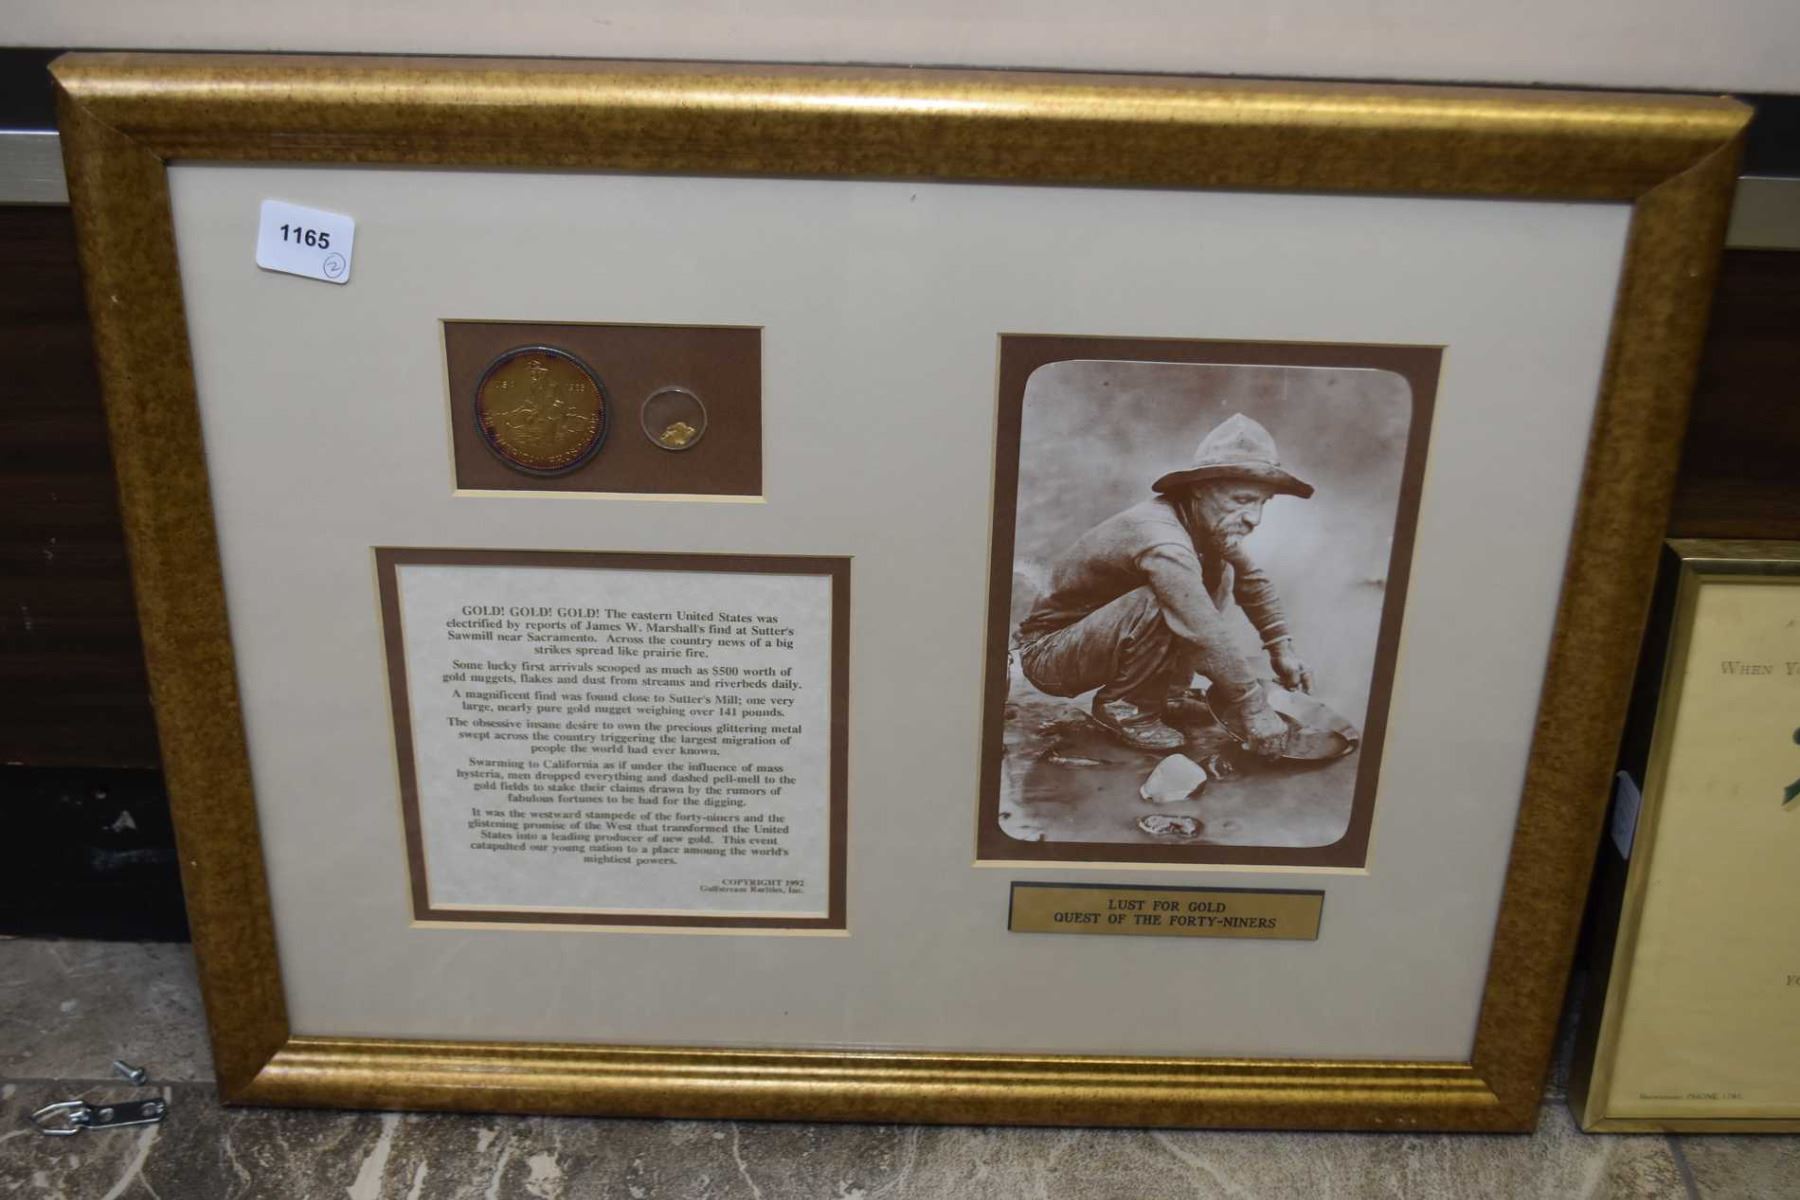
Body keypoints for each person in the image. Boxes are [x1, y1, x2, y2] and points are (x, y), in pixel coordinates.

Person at [1014, 412, 1314, 756]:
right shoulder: (1161, 538)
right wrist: (1254, 706)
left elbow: (1252, 579)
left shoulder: (1205, 526)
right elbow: (1202, 628)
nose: (1254, 518)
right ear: (1200, 489)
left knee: (1218, 575)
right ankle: (1125, 706)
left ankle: (1168, 694)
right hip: (1048, 654)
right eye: (1243, 500)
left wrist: (1281, 647)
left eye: (1262, 502)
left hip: (1090, 641)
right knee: (1171, 598)